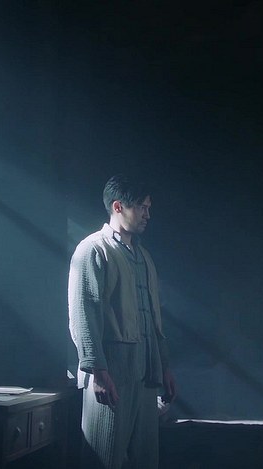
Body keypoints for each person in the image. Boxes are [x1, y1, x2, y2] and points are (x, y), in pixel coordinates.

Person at [68, 174, 178, 469]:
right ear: (118, 207)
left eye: (148, 207)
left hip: (146, 373)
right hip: (112, 372)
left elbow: (153, 318)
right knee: (104, 458)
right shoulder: (94, 249)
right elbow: (83, 313)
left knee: (145, 460)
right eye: (141, 207)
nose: (147, 215)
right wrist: (98, 371)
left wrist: (164, 366)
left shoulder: (144, 256)